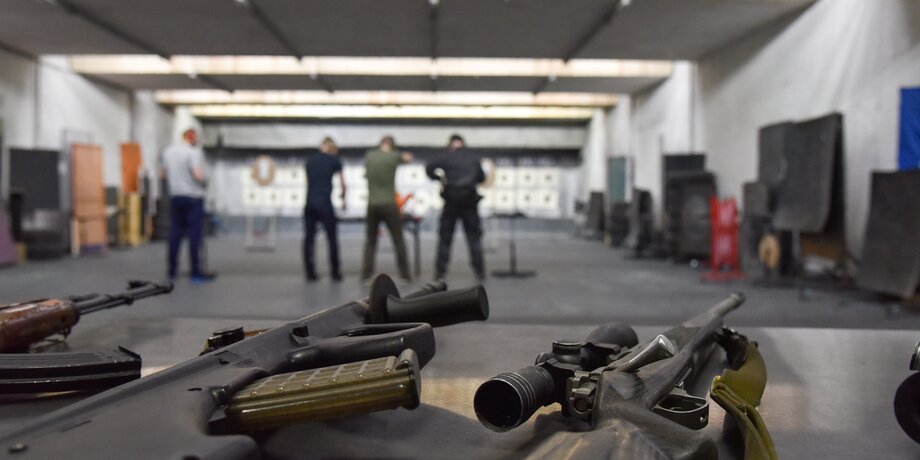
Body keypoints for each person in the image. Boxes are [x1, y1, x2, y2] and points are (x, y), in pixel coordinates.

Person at [427, 134, 486, 281]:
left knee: (445, 239)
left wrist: (439, 178)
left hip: (451, 202)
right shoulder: (473, 158)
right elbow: (482, 178)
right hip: (469, 202)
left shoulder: (447, 157)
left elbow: (429, 168)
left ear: (450, 144)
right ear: (463, 144)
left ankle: (440, 272)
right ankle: (479, 271)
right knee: (473, 238)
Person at [162, 128, 215, 283]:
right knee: (194, 235)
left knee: (175, 234)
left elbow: (163, 174)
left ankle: (172, 271)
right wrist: (204, 181)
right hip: (193, 198)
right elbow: (197, 174)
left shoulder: (168, 152)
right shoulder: (193, 153)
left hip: (176, 196)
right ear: (191, 138)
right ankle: (195, 272)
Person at [361, 135, 413, 283]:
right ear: (392, 145)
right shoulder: (393, 155)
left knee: (370, 241)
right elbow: (408, 158)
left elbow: (365, 174)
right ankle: (405, 275)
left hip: (372, 204)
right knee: (398, 240)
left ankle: (366, 275)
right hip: (389, 204)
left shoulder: (370, 156)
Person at [304, 137, 345, 281]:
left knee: (309, 239)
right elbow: (343, 183)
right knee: (332, 238)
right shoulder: (334, 160)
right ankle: (335, 272)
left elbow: (308, 181)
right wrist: (343, 199)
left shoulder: (310, 161)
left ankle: (310, 272)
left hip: (310, 203)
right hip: (325, 204)